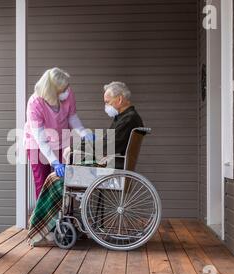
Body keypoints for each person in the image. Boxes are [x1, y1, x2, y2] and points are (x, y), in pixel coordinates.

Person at [27, 81, 145, 247]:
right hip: (113, 164)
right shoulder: (128, 117)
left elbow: (108, 147)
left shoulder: (128, 119)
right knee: (61, 173)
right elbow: (110, 144)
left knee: (55, 179)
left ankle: (43, 226)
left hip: (111, 168)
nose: (106, 105)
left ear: (119, 100)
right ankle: (49, 224)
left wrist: (77, 147)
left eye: (108, 101)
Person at [24, 67, 94, 200]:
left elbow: (72, 116)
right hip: (37, 144)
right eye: (63, 89)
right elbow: (41, 140)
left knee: (64, 181)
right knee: (43, 182)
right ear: (52, 91)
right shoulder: (35, 104)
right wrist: (54, 162)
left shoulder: (68, 93)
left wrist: (83, 132)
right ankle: (44, 219)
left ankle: (62, 215)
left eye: (67, 87)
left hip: (61, 139)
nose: (67, 91)